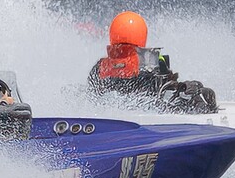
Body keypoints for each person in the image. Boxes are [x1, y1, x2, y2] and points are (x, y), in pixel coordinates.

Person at [88, 11, 218, 114]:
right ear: (142, 35)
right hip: (151, 115)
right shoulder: (153, 60)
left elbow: (93, 94)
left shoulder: (99, 67)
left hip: (113, 116)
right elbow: (168, 88)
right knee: (199, 93)